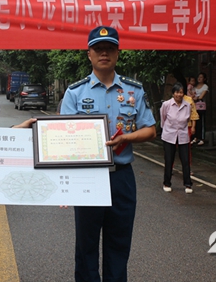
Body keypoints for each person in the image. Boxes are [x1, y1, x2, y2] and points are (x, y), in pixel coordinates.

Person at [60, 26, 156, 282]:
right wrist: (64, 184)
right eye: (98, 49)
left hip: (121, 177)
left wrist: (127, 138)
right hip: (88, 177)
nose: (104, 53)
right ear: (89, 54)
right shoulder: (75, 92)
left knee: (119, 245)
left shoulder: (134, 91)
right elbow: (62, 137)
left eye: (110, 48)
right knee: (86, 245)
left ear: (117, 53)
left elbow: (150, 130)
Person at [160, 83, 193, 193]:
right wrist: (167, 130)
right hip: (169, 135)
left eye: (181, 92)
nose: (179, 94)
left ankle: (188, 184)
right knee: (169, 160)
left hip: (183, 135)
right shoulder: (166, 105)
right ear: (173, 93)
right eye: (177, 92)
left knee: (185, 160)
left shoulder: (187, 105)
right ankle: (167, 183)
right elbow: (163, 119)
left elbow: (187, 119)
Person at [192, 73, 209, 146]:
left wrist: (197, 98)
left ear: (204, 79)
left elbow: (201, 96)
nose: (199, 78)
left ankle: (202, 138)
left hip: (201, 106)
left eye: (201, 77)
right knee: (195, 122)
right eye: (198, 77)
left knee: (201, 122)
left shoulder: (205, 86)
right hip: (194, 106)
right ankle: (195, 137)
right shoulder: (194, 87)